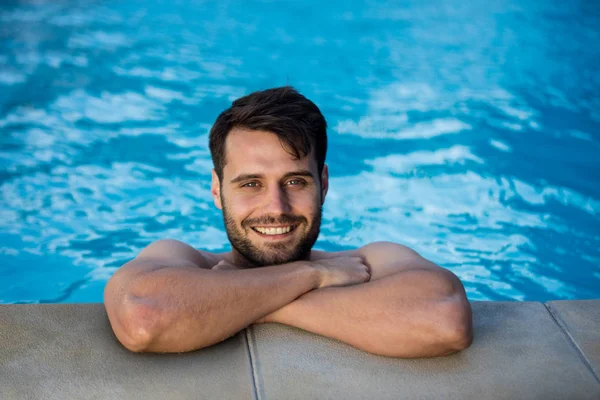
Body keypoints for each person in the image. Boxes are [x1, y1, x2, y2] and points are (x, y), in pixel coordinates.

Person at [104, 86, 473, 358]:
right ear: (217, 190)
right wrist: (310, 278)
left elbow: (445, 317)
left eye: (295, 181)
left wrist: (237, 299)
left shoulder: (370, 261)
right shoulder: (180, 256)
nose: (276, 207)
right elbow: (143, 317)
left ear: (323, 184)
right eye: (251, 184)